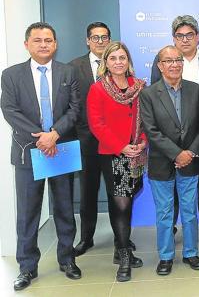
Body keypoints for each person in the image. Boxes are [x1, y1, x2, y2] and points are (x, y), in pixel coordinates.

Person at [1, 22, 82, 291]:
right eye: (38, 40)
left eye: (48, 40)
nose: (44, 44)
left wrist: (55, 133)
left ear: (55, 44)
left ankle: (67, 259)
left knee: (64, 207)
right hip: (29, 150)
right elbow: (10, 111)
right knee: (28, 212)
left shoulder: (67, 72)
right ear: (27, 44)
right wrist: (41, 136)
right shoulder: (11, 75)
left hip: (60, 147)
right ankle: (27, 267)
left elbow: (74, 108)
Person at [151, 15, 199, 248]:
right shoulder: (162, 58)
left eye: (189, 35)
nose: (185, 39)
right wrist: (173, 148)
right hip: (171, 142)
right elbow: (155, 97)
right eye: (180, 36)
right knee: (171, 190)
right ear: (174, 38)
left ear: (198, 37)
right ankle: (170, 228)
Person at [69, 21, 134, 256]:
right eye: (95, 37)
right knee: (87, 191)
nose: (100, 41)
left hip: (118, 146)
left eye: (104, 37)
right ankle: (87, 238)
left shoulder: (128, 78)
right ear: (87, 40)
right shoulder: (73, 67)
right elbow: (72, 106)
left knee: (118, 193)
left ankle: (121, 241)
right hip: (87, 142)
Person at [141, 46, 199, 275]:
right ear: (160, 66)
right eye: (168, 61)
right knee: (165, 212)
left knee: (189, 211)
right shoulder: (148, 94)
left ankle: (190, 252)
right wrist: (176, 153)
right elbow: (151, 130)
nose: (174, 64)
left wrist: (189, 153)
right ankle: (166, 256)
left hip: (190, 162)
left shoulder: (196, 90)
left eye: (178, 60)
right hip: (161, 163)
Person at [86, 41, 146, 282]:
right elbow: (96, 124)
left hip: (137, 153)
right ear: (106, 63)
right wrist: (121, 146)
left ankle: (120, 245)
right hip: (113, 154)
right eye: (113, 59)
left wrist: (142, 142)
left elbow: (146, 119)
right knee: (120, 204)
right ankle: (123, 257)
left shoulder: (139, 86)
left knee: (128, 201)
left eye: (122, 58)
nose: (119, 62)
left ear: (128, 61)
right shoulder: (98, 89)